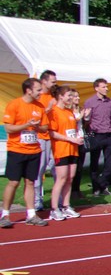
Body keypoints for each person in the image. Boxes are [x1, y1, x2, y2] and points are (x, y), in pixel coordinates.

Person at [1, 78, 50, 227]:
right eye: (38, 90)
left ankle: (31, 214)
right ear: (28, 90)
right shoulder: (14, 105)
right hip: (17, 149)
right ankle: (5, 214)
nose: (41, 92)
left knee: (30, 182)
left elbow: (45, 127)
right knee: (14, 182)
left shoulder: (40, 106)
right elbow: (8, 128)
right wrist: (26, 125)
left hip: (34, 150)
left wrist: (36, 127)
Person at [47, 85, 83, 221]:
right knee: (61, 178)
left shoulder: (69, 112)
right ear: (61, 96)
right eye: (69, 96)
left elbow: (73, 129)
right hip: (61, 149)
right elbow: (52, 132)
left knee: (70, 178)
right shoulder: (54, 112)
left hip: (73, 149)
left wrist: (77, 138)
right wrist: (70, 139)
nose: (71, 98)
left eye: (72, 96)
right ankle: (54, 208)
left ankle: (66, 206)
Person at [83, 77, 111, 197]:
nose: (106, 89)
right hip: (96, 135)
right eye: (103, 87)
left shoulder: (109, 101)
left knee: (109, 163)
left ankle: (103, 185)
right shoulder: (90, 102)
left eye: (106, 86)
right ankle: (96, 188)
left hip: (109, 135)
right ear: (96, 88)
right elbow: (86, 119)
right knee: (94, 163)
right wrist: (90, 132)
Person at [33, 69, 57, 211]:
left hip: (54, 136)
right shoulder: (38, 97)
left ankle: (58, 201)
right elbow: (35, 116)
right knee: (40, 169)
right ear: (44, 81)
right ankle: (37, 201)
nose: (54, 84)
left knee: (56, 169)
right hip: (41, 137)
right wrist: (48, 108)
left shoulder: (53, 95)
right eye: (52, 81)